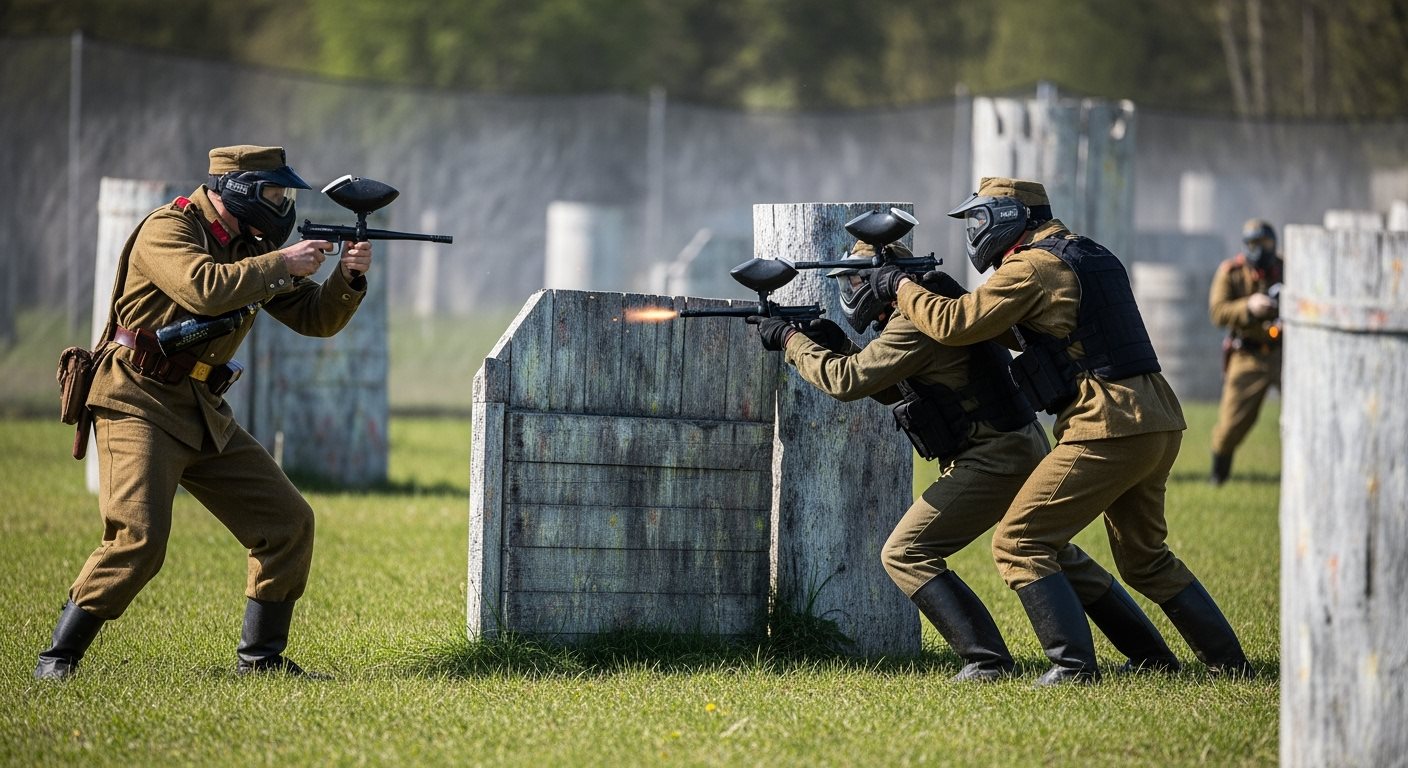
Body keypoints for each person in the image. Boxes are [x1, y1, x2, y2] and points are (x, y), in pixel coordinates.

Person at [860, 178, 1252, 683]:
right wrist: (948, 294)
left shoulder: (1033, 265)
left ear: (1011, 217)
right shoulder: (1086, 253)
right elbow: (1017, 327)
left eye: (979, 219)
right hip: (1156, 418)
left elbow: (956, 325)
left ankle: (1072, 668)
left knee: (1019, 542)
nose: (974, 232)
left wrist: (898, 285)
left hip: (1107, 424)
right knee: (1145, 560)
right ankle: (1228, 666)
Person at [751, 232, 1179, 683]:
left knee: (906, 552)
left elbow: (847, 382)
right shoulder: (931, 308)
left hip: (992, 458)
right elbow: (897, 385)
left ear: (885, 280)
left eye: (858, 281)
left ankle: (988, 661)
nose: (852, 292)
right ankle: (1150, 655)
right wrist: (837, 344)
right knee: (1056, 555)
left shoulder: (912, 323)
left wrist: (790, 339)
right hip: (1018, 446)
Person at [34, 145, 373, 680]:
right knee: (139, 539)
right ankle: (58, 658)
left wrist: (347, 279)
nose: (282, 206)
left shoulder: (250, 247)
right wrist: (281, 263)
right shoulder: (169, 228)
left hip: (201, 409)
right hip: (137, 399)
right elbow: (203, 289)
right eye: (275, 193)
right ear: (238, 190)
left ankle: (260, 660)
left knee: (286, 523)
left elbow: (316, 317)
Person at [1208, 219, 1283, 485]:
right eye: (1254, 244)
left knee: (1304, 419)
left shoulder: (1288, 268)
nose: (1260, 250)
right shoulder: (1231, 272)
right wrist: (1248, 307)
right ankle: (1218, 478)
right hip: (1247, 355)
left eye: (1266, 243)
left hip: (1285, 354)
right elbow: (1217, 312)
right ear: (1244, 245)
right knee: (1230, 426)